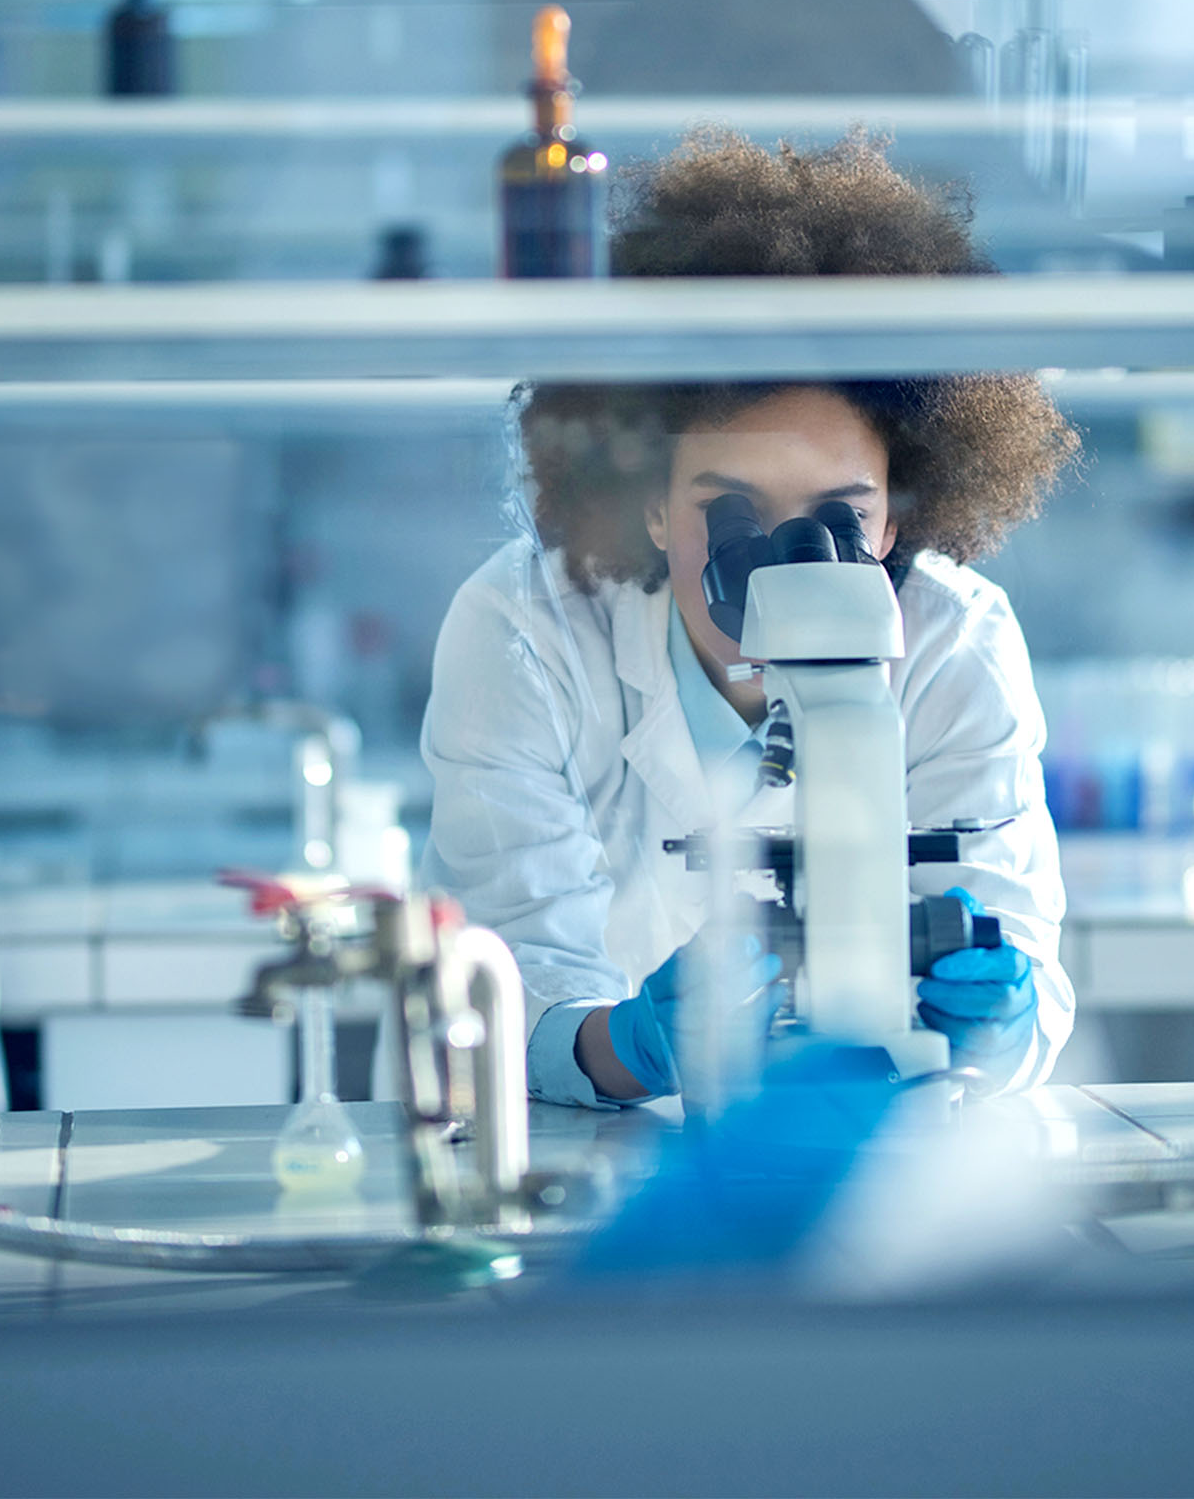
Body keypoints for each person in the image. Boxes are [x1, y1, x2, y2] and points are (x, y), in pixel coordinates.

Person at [418, 130, 1081, 1108]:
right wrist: (625, 1046)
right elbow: (502, 986)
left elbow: (1018, 964)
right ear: (648, 499)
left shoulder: (954, 642)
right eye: (731, 515)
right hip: (602, 1176)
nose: (782, 566)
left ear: (897, 515)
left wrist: (996, 1024)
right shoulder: (525, 631)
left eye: (838, 521)